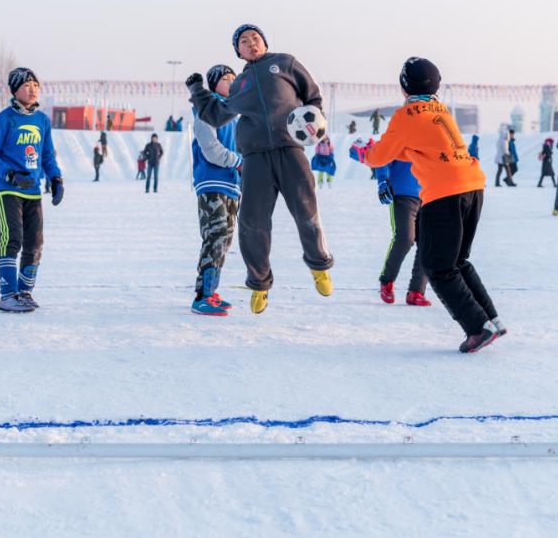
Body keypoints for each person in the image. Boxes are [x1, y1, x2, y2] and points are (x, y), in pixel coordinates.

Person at [186, 23, 334, 314]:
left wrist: (315, 119)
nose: (251, 43)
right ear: (238, 51)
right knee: (252, 224)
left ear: (265, 42)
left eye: (255, 38)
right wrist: (197, 91)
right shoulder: (239, 84)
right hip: (254, 158)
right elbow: (215, 115)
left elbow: (313, 95)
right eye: (244, 41)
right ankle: (259, 284)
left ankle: (319, 266)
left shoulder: (285, 63)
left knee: (306, 211)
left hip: (290, 150)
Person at [363, 57, 504, 353]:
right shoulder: (440, 110)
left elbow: (380, 156)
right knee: (458, 261)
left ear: (404, 86)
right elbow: (418, 149)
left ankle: (478, 328)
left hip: (445, 192)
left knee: (438, 267)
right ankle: (492, 319)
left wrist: (365, 153)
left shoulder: (406, 115)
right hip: (472, 185)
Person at [0, 66, 63, 314]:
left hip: (33, 191)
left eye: (36, 85)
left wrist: (56, 178)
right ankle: (8, 295)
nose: (32, 90)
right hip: (7, 189)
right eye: (27, 85)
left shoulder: (42, 121)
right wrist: (9, 174)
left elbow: (47, 155)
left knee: (35, 241)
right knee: (11, 238)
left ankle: (25, 292)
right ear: (15, 90)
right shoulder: (3, 120)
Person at [189, 65, 242, 316]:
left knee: (225, 239)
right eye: (225, 78)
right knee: (215, 234)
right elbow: (210, 148)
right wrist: (237, 161)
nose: (230, 81)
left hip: (232, 185)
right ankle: (203, 296)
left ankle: (210, 291)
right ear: (213, 84)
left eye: (233, 78)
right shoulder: (206, 109)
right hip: (212, 182)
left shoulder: (234, 112)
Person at [373, 158, 431, 307]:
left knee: (429, 243)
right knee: (405, 238)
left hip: (429, 195)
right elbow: (383, 157)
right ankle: (387, 281)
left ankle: (416, 291)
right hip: (402, 193)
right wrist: (382, 180)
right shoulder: (399, 140)